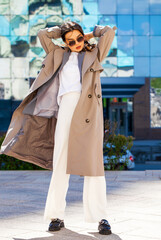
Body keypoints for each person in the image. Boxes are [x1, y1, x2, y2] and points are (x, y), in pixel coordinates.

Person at [37, 21, 116, 235]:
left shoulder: (95, 53)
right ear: (65, 42)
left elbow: (108, 32)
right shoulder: (58, 54)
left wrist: (88, 35)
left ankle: (101, 217)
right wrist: (61, 34)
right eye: (71, 41)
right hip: (66, 110)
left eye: (79, 38)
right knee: (61, 162)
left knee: (94, 165)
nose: (76, 43)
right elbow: (43, 35)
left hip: (89, 111)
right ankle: (56, 216)